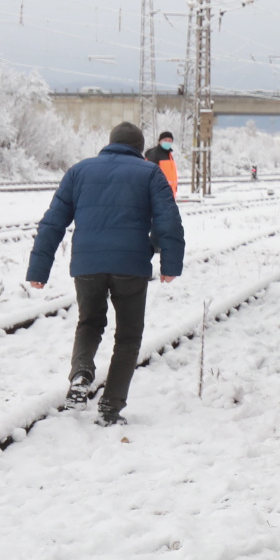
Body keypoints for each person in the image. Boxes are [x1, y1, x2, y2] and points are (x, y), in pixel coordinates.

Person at [26, 121, 185, 426]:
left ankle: (82, 373)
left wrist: (38, 269)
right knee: (127, 337)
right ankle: (110, 407)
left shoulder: (79, 171)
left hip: (87, 264)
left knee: (89, 322)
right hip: (131, 265)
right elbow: (169, 222)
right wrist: (170, 265)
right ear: (140, 149)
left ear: (109, 143)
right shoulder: (150, 172)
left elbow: (52, 223)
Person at [146, 130, 179, 196]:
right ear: (159, 141)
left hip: (169, 193)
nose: (168, 142)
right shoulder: (154, 153)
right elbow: (149, 174)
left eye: (170, 140)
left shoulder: (169, 155)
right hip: (159, 193)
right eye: (165, 140)